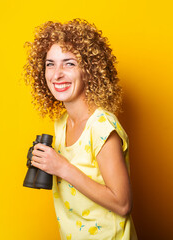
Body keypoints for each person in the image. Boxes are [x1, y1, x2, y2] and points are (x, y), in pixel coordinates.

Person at [24, 19, 137, 240]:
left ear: (89, 70)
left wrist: (62, 167)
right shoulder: (61, 123)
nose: (57, 74)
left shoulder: (101, 127)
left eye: (69, 64)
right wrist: (43, 162)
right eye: (50, 64)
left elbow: (123, 204)